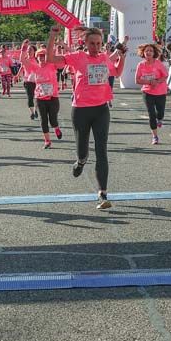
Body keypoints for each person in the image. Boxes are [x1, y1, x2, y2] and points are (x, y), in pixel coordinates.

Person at [45, 25, 126, 210]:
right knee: (83, 150)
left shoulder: (105, 57)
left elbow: (117, 72)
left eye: (99, 43)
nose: (96, 47)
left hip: (101, 110)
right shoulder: (78, 57)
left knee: (101, 151)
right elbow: (50, 59)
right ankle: (80, 161)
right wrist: (52, 37)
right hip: (81, 110)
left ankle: (103, 193)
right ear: (85, 43)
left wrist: (123, 56)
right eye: (92, 43)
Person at [20, 41, 63, 148]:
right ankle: (47, 141)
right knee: (43, 120)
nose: (42, 58)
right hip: (39, 97)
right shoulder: (35, 67)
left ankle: (56, 127)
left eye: (44, 56)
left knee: (53, 120)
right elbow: (22, 60)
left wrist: (58, 48)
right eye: (39, 56)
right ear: (36, 57)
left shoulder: (52, 65)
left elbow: (61, 61)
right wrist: (23, 49)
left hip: (53, 97)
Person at [135, 43, 169, 145]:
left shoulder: (158, 63)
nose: (148, 52)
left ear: (154, 53)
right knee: (151, 114)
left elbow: (165, 75)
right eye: (146, 51)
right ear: (143, 53)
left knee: (160, 113)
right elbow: (137, 80)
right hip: (147, 92)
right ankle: (155, 136)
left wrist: (157, 81)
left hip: (160, 92)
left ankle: (160, 119)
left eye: (150, 51)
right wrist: (149, 82)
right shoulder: (140, 65)